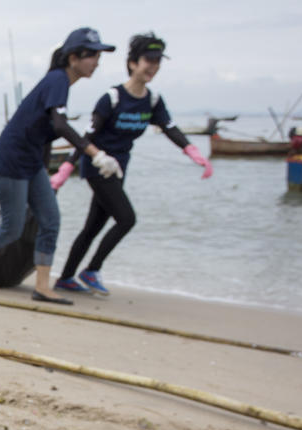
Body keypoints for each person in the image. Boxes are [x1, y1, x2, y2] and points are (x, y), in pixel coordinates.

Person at [0, 28, 120, 305]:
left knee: (50, 220)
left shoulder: (61, 83)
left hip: (31, 164)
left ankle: (42, 286)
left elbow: (44, 134)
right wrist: (95, 154)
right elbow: (60, 125)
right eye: (92, 55)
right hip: (10, 163)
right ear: (73, 57)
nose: (97, 62)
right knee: (12, 229)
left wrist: (46, 173)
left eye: (98, 56)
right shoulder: (57, 80)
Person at [51, 32, 213, 296]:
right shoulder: (112, 98)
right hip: (99, 166)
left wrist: (192, 151)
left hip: (120, 168)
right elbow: (87, 137)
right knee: (126, 219)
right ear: (133, 63)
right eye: (148, 60)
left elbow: (169, 127)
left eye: (157, 62)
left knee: (93, 227)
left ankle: (66, 278)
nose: (153, 67)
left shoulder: (152, 101)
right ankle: (91, 270)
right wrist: (66, 168)